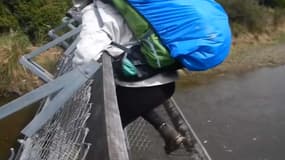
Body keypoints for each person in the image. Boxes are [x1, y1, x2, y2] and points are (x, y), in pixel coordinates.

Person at [72, 1, 185, 154]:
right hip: (164, 79)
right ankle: (167, 131)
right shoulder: (124, 5)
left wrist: (73, 83)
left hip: (143, 84)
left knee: (100, 137)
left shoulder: (94, 12)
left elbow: (85, 56)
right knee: (127, 104)